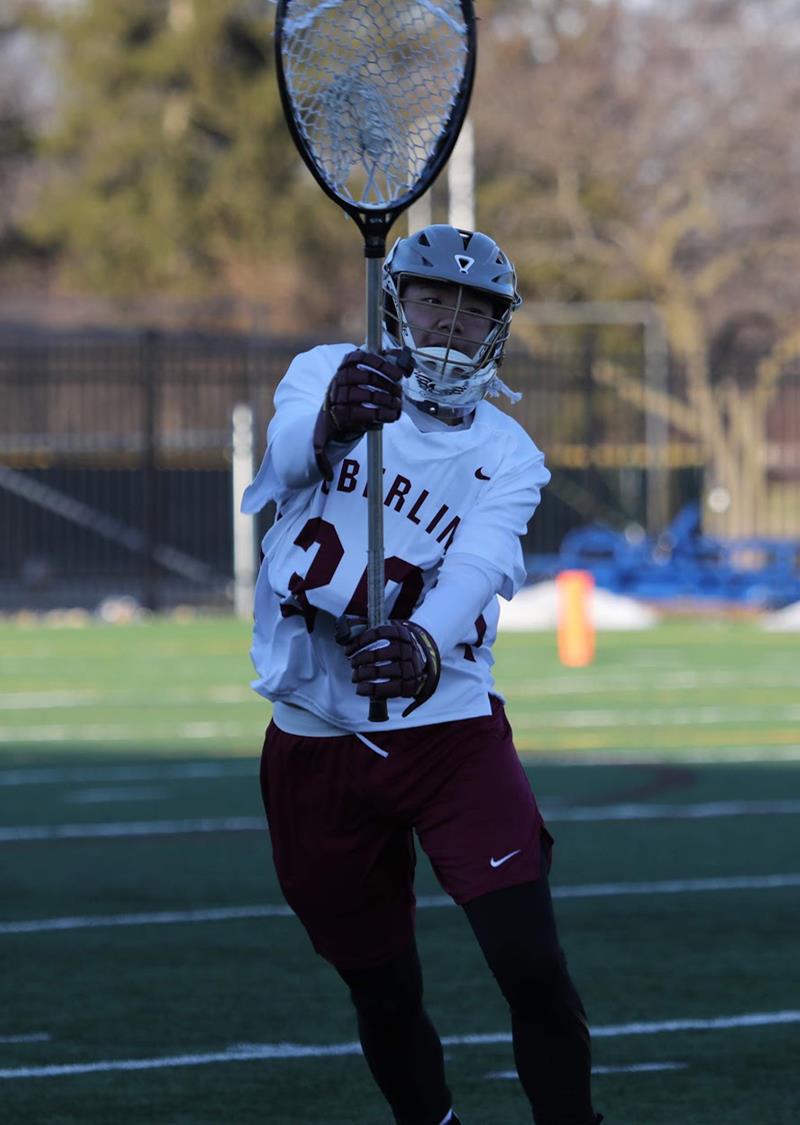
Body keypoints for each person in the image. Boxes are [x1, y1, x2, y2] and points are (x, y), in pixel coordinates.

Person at [239, 225, 601, 1125]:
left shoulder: (509, 452)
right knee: (383, 990)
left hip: (446, 727)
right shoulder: (329, 370)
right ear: (397, 299)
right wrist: (331, 420)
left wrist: (426, 644)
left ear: (499, 329)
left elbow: (480, 563)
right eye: (436, 298)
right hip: (316, 733)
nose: (451, 323)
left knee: (532, 966)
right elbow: (284, 462)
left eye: (475, 309)